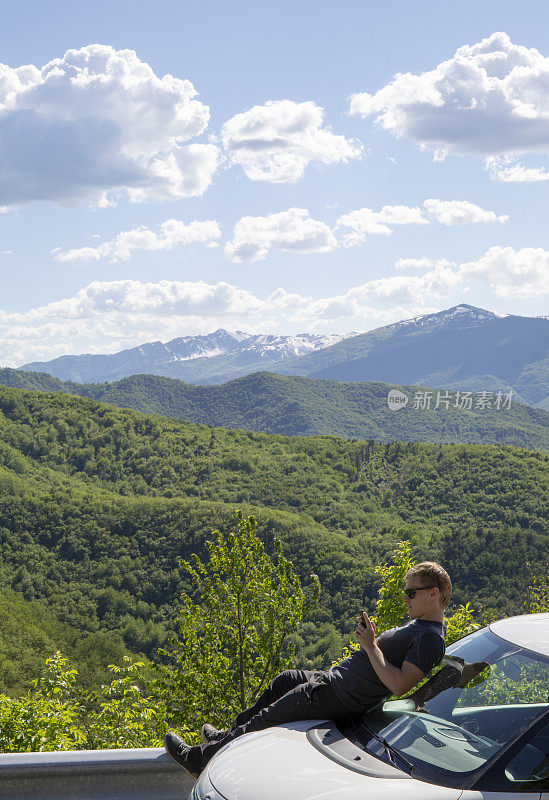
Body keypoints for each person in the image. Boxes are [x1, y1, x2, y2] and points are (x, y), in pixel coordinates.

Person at [164, 561, 452, 777]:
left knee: (263, 720)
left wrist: (369, 645)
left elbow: (399, 684)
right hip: (334, 681)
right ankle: (224, 737)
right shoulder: (420, 626)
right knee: (284, 680)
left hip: (338, 695)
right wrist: (372, 642)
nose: (405, 598)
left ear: (434, 593)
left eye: (411, 593)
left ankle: (200, 760)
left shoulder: (430, 639)